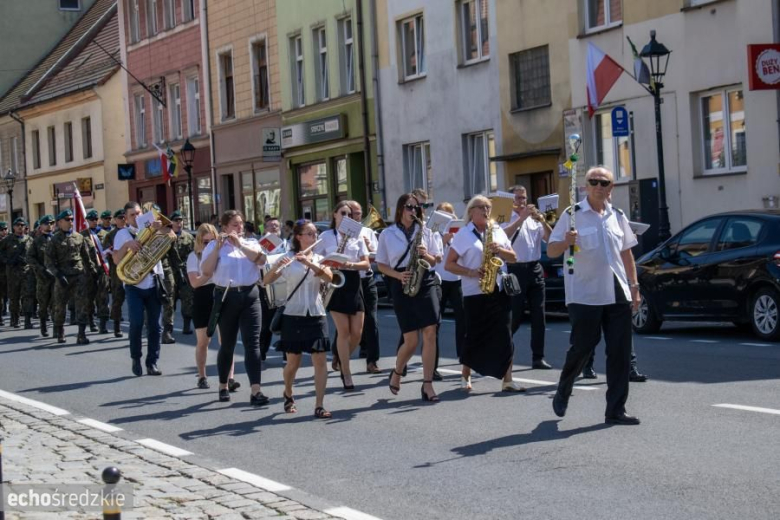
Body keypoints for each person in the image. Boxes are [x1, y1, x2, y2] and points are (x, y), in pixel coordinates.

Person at [547, 166, 642, 425]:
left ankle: (615, 410)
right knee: (583, 347)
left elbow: (626, 254)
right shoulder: (572, 215)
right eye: (594, 182)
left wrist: (634, 286)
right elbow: (553, 251)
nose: (599, 186)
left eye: (605, 182)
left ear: (611, 188)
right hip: (585, 292)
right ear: (586, 186)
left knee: (620, 352)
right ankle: (564, 388)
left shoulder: (617, 215)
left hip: (617, 291)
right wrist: (565, 241)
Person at [445, 195, 524, 393]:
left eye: (488, 207)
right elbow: (449, 264)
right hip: (475, 291)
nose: (486, 210)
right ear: (471, 211)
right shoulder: (464, 234)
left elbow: (513, 257)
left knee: (505, 334)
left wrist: (500, 251)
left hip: (499, 288)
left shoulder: (496, 230)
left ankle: (508, 379)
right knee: (474, 334)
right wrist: (470, 272)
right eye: (481, 207)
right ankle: (465, 376)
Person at [263, 219, 334, 419]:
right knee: (293, 362)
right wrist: (278, 266)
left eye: (315, 234)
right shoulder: (287, 257)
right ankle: (288, 392)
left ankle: (319, 405)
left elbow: (329, 278)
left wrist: (309, 262)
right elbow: (265, 281)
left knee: (320, 360)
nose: (314, 237)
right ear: (299, 237)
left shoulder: (320, 257)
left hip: (316, 313)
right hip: (293, 315)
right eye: (310, 234)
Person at [377, 193, 442, 402]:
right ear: (399, 209)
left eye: (416, 208)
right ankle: (397, 371)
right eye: (408, 207)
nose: (413, 211)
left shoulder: (427, 231)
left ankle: (428, 384)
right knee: (411, 340)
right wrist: (397, 275)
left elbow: (436, 260)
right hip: (401, 282)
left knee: (430, 332)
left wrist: (426, 255)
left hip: (425, 281)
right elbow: (381, 264)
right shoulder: (387, 234)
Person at [200, 210, 269, 405]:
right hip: (226, 295)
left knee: (252, 343)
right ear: (224, 228)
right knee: (228, 344)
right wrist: (216, 249)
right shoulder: (214, 245)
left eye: (241, 224)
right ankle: (223, 385)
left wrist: (240, 244)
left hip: (250, 294)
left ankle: (256, 390)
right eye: (234, 225)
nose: (239, 228)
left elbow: (262, 261)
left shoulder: (251, 243)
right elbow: (206, 271)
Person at [315, 201, 370, 390]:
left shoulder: (358, 237)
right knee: (344, 331)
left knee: (357, 333)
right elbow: (315, 260)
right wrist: (328, 265)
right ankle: (346, 373)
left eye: (350, 214)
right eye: (343, 213)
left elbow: (367, 263)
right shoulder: (326, 236)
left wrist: (350, 265)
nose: (347, 217)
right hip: (335, 282)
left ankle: (340, 356)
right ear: (335, 215)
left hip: (353, 282)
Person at [113, 202, 169, 376]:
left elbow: (171, 235)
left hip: (154, 282)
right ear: (126, 218)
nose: (137, 217)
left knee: (155, 326)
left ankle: (152, 362)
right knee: (136, 324)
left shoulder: (153, 228)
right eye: (132, 215)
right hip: (134, 285)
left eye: (138, 213)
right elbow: (115, 259)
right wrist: (127, 246)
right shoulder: (122, 234)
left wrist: (161, 228)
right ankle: (136, 357)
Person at [501, 186, 553, 369]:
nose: (522, 201)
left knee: (539, 315)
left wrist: (543, 221)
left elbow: (550, 239)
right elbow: (502, 237)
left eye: (524, 198)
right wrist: (520, 219)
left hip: (535, 268)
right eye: (517, 198)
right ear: (510, 199)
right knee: (515, 315)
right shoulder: (504, 217)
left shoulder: (534, 219)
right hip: (514, 269)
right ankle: (501, 352)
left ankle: (538, 357)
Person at [45, 210, 95, 344]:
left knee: (82, 304)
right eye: (67, 219)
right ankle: (60, 331)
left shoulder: (79, 237)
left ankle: (81, 334)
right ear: (60, 222)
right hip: (63, 276)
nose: (70, 222)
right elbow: (48, 261)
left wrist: (92, 271)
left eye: (72, 219)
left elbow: (86, 257)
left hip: (78, 275)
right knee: (60, 306)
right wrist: (58, 275)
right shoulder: (54, 240)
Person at [433, 202, 466, 385]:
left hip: (456, 280)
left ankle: (464, 358)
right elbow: (434, 254)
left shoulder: (458, 232)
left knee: (463, 320)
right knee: (434, 323)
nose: (447, 219)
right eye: (443, 215)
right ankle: (433, 365)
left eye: (450, 215)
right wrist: (444, 239)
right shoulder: (433, 232)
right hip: (439, 280)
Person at [348, 201, 381, 374]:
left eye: (359, 213)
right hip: (349, 281)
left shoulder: (368, 232)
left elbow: (377, 257)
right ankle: (340, 355)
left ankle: (372, 360)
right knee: (348, 325)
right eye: (352, 213)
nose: (356, 216)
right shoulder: (339, 234)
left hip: (367, 280)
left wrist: (369, 248)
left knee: (372, 320)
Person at [257, 216, 288, 361]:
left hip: (285, 287)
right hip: (266, 287)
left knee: (285, 321)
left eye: (276, 225)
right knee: (266, 324)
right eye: (270, 226)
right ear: (265, 229)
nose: (274, 228)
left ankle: (286, 353)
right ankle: (261, 352)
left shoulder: (287, 245)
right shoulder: (260, 246)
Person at [0, 217, 33, 328]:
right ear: (14, 227)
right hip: (12, 273)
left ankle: (27, 319)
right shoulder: (7, 240)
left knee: (28, 296)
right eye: (18, 225)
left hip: (26, 272)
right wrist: (7, 261)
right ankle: (15, 318)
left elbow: (34, 254)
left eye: (22, 225)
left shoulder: (29, 240)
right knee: (14, 297)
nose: (20, 227)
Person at [81, 209, 110, 334]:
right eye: (91, 220)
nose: (94, 221)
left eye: (95, 219)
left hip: (103, 269)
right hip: (88, 271)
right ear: (87, 221)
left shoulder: (105, 234)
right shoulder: (82, 236)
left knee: (103, 297)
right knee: (89, 297)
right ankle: (91, 321)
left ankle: (103, 324)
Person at [26, 215, 55, 337]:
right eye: (47, 223)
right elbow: (30, 257)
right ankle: (43, 324)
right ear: (41, 226)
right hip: (43, 278)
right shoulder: (37, 241)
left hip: (56, 276)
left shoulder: (57, 239)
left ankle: (58, 327)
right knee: (43, 303)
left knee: (57, 303)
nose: (49, 225)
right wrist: (40, 269)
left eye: (52, 223)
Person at [168, 211, 195, 335]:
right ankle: (169, 327)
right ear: (171, 222)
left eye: (181, 221)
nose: (179, 223)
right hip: (171, 271)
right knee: (170, 300)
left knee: (187, 299)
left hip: (185, 272)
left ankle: (186, 325)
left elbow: (194, 254)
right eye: (176, 221)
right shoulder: (166, 236)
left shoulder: (188, 237)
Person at [103, 209, 126, 338]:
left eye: (124, 217)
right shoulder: (110, 235)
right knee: (118, 299)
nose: (123, 219)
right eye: (120, 217)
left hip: (133, 270)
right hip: (117, 271)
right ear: (115, 220)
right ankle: (117, 326)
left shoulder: (132, 232)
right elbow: (106, 251)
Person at [0, 221, 7, 323]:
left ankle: (4, 307)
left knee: (5, 293)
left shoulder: (9, 240)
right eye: (1, 230)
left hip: (7, 271)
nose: (4, 231)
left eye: (5, 229)